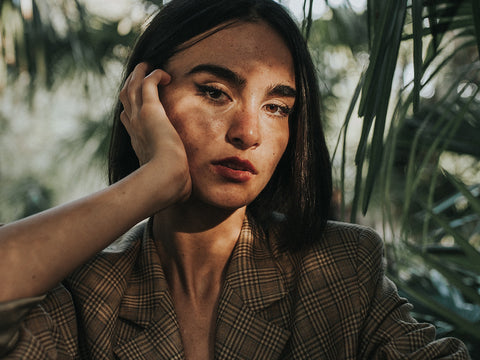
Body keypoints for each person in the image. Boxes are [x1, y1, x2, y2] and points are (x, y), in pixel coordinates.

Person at [0, 0, 471, 359]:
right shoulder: (82, 291)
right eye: (214, 92)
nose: (249, 133)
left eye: (276, 107)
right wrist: (154, 180)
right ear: (142, 99)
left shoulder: (343, 271)